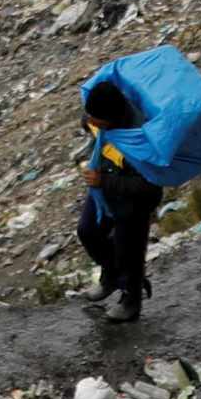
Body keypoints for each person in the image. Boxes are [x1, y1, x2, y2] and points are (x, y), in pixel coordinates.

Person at [77, 71, 161, 322]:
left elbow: (150, 188)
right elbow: (90, 123)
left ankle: (131, 299)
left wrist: (104, 180)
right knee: (88, 231)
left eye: (96, 119)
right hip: (104, 191)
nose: (91, 121)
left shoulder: (141, 138)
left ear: (112, 119)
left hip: (133, 201)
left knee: (129, 251)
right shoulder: (100, 121)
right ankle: (113, 275)